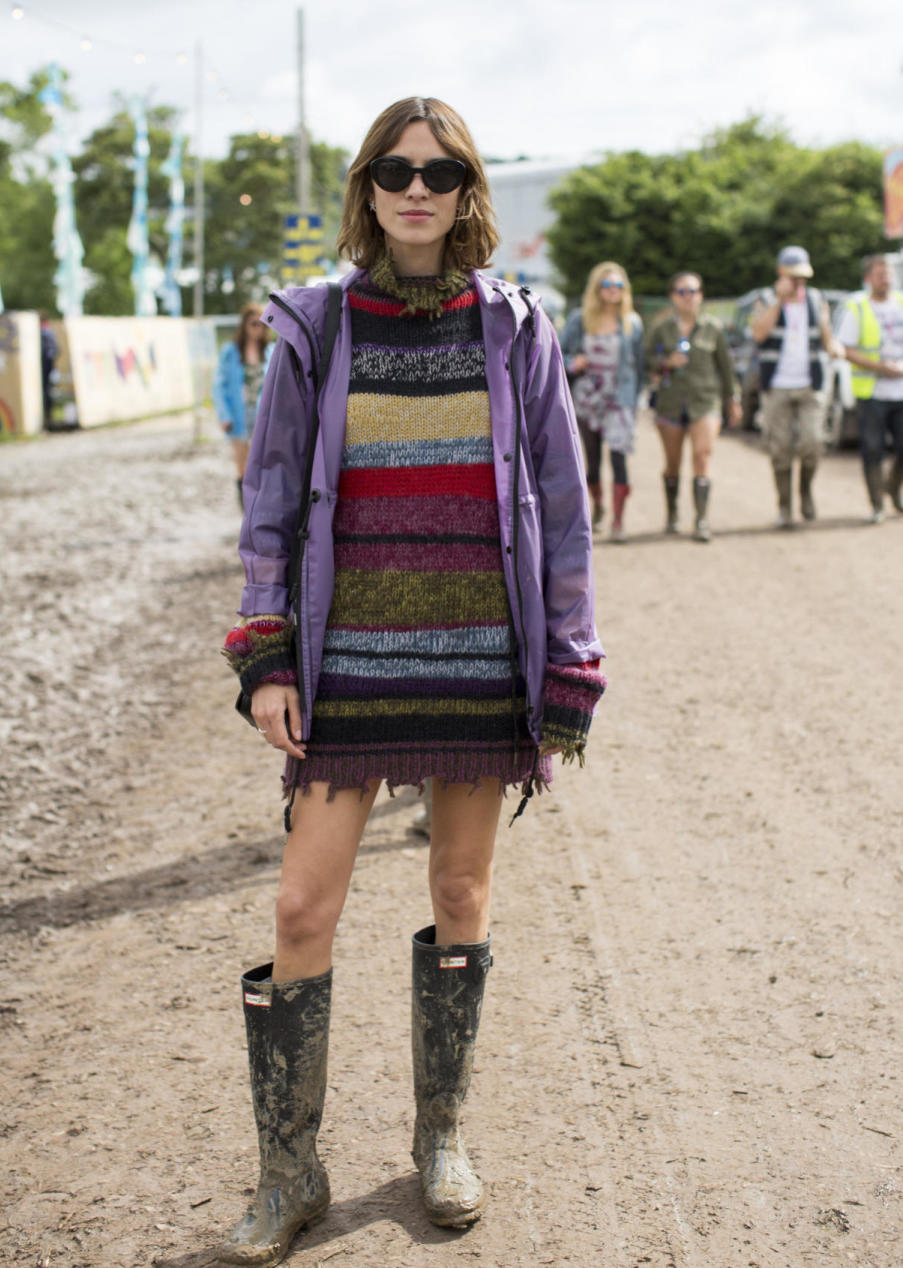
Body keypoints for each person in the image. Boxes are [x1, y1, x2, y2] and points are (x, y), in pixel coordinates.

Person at [216, 96, 607, 1266]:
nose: (414, 186)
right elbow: (270, 501)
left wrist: (567, 661)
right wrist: (265, 653)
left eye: (437, 169)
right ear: (366, 187)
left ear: (467, 187)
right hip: (346, 671)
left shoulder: (514, 327)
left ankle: (441, 1133)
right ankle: (290, 1168)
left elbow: (563, 504)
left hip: (478, 660)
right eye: (392, 168)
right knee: (300, 906)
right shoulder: (317, 327)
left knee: (461, 891)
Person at [750, 246, 844, 528]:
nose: (799, 282)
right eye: (794, 277)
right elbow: (758, 334)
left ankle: (805, 490)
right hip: (777, 385)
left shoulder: (816, 299)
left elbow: (827, 338)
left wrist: (834, 346)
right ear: (781, 273)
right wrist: (779, 301)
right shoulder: (765, 299)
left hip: (810, 383)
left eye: (802, 277)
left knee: (813, 442)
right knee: (780, 450)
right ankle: (785, 506)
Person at [645, 272, 741, 541]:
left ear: (701, 295)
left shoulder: (713, 327)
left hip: (705, 401)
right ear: (673, 296)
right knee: (672, 464)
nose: (688, 297)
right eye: (682, 292)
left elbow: (726, 367)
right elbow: (647, 361)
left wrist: (733, 399)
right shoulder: (661, 328)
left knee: (702, 455)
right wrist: (666, 362)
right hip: (671, 403)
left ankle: (701, 520)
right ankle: (673, 513)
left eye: (693, 291)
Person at [560, 262, 644, 542]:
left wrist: (635, 402)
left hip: (619, 400)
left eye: (619, 286)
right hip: (588, 398)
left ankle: (618, 521)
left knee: (619, 459)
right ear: (597, 289)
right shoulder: (580, 319)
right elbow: (559, 356)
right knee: (592, 461)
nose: (613, 291)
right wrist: (574, 363)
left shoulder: (632, 323)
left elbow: (639, 367)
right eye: (607, 285)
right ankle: (598, 507)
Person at [835, 253, 903, 523]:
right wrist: (880, 368)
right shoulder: (858, 307)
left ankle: (893, 489)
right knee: (872, 449)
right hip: (872, 392)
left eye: (888, 274)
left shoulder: (900, 302)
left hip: (901, 391)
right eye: (879, 274)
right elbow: (846, 350)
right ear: (867, 279)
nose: (885, 279)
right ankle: (877, 504)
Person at [212, 302, 274, 507]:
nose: (258, 328)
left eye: (262, 324)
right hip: (238, 413)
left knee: (262, 462)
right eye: (253, 324)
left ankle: (260, 505)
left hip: (262, 414)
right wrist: (224, 416)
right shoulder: (230, 352)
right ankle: (246, 508)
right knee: (242, 463)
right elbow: (219, 386)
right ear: (245, 325)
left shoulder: (271, 351)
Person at [39, 312, 58, 428]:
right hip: (49, 367)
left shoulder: (43, 333)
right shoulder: (49, 332)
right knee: (48, 391)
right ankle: (48, 417)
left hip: (44, 367)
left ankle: (47, 418)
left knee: (45, 392)